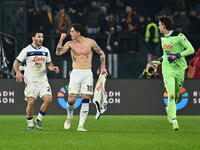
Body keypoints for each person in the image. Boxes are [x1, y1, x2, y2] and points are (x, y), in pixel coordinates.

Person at [56, 23, 107, 131]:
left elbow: (101, 53)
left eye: (72, 31)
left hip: (87, 73)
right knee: (71, 99)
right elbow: (58, 53)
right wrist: (61, 40)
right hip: (75, 72)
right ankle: (69, 117)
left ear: (78, 33)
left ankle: (80, 126)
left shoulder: (90, 42)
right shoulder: (70, 44)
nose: (70, 33)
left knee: (86, 97)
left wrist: (103, 67)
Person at [147, 16, 194, 131]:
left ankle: (169, 109)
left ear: (164, 25)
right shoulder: (163, 38)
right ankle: (174, 121)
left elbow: (191, 50)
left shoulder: (179, 36)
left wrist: (178, 55)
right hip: (167, 69)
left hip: (179, 69)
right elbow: (165, 55)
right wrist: (157, 62)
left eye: (159, 25)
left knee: (176, 96)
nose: (158, 27)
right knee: (171, 95)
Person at [13, 31, 59, 130]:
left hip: (42, 79)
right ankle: (30, 124)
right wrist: (18, 73)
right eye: (39, 36)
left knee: (49, 99)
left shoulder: (46, 50)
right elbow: (16, 62)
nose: (41, 38)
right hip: (31, 79)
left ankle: (38, 119)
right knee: (31, 101)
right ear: (33, 38)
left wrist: (53, 68)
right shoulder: (26, 50)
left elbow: (49, 64)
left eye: (42, 37)